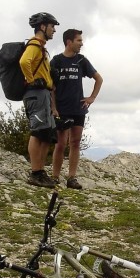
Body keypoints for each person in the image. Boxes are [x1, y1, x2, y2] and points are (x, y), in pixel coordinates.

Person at [50, 29, 103, 189]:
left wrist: (92, 98)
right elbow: (51, 87)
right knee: (60, 144)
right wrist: (53, 108)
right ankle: (55, 176)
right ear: (69, 42)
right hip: (61, 108)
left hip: (78, 108)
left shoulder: (81, 61)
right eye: (79, 40)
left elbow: (99, 79)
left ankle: (71, 178)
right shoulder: (56, 61)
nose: (81, 43)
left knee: (75, 142)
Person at [20, 12, 60, 188]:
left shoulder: (41, 47)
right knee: (37, 132)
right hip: (36, 93)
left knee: (46, 133)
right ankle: (36, 173)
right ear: (43, 26)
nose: (54, 30)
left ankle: (40, 172)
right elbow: (24, 62)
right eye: (52, 26)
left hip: (42, 93)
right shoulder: (35, 44)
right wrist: (31, 79)